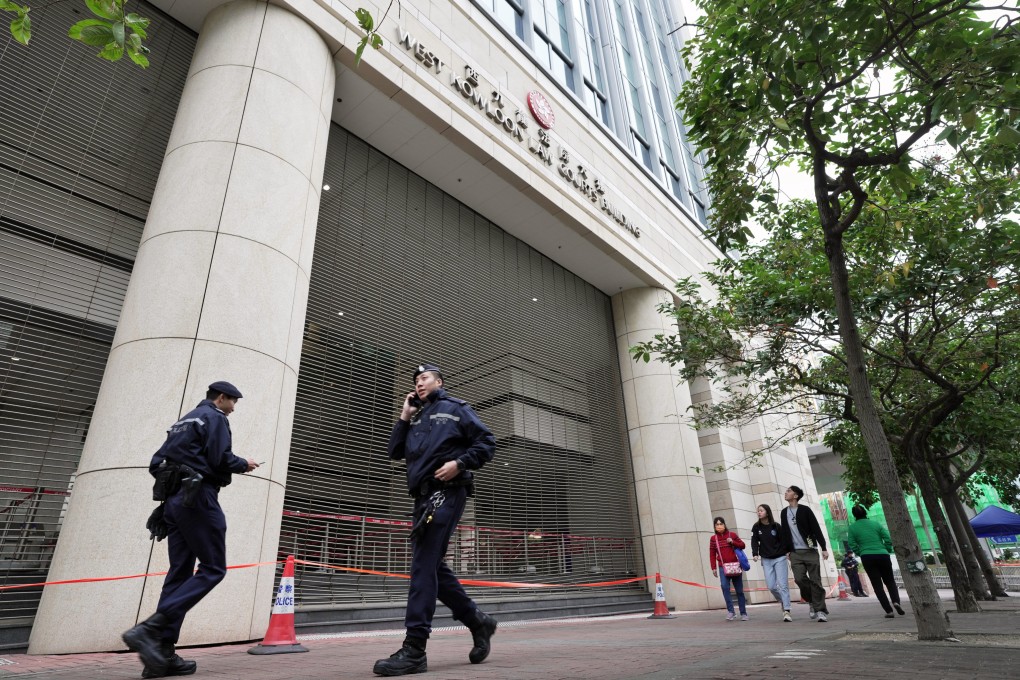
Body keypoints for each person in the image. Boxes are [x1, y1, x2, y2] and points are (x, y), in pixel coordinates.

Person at [122, 381, 259, 678]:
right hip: (198, 498)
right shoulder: (214, 418)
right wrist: (244, 463)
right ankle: (150, 629)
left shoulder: (182, 422)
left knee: (179, 574)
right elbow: (220, 459)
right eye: (233, 402)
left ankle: (160, 655)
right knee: (213, 569)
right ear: (220, 398)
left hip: (173, 502)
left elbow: (156, 464)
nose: (233, 408)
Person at [373, 363, 497, 676]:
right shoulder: (415, 418)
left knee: (422, 565)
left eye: (424, 377)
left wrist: (460, 462)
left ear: (439, 381)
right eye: (415, 380)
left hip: (447, 492)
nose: (419, 382)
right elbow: (394, 451)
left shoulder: (456, 409)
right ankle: (477, 621)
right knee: (432, 566)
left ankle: (415, 648)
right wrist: (404, 415)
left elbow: (486, 442)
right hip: (423, 497)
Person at [780, 485, 830, 622]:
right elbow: (785, 532)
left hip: (810, 551)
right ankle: (812, 601)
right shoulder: (784, 512)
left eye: (789, 491)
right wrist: (787, 551)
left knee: (816, 580)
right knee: (799, 579)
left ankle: (820, 610)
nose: (786, 492)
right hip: (795, 553)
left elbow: (815, 528)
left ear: (795, 496)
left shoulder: (805, 510)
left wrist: (824, 547)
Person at [848, 505, 904, 618]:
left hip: (867, 556)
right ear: (865, 512)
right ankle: (896, 601)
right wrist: (887, 549)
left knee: (877, 584)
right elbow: (887, 538)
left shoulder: (852, 528)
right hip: (883, 555)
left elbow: (852, 544)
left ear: (854, 515)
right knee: (890, 581)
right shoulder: (876, 524)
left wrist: (861, 552)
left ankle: (889, 611)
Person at [751, 503, 793, 621]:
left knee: (783, 585)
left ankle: (787, 610)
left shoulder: (776, 526)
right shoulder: (756, 527)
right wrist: (755, 553)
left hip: (780, 558)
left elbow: (783, 540)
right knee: (771, 586)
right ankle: (783, 601)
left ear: (767, 512)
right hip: (766, 559)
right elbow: (754, 541)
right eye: (758, 511)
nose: (759, 512)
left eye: (761, 511)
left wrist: (787, 552)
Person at [709, 517, 748, 621]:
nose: (719, 526)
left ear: (724, 524)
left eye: (721, 524)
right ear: (714, 526)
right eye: (717, 524)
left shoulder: (732, 535)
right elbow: (712, 554)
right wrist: (713, 567)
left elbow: (743, 545)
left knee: (739, 590)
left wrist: (733, 542)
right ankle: (731, 611)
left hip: (735, 565)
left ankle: (743, 613)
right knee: (725, 587)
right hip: (723, 567)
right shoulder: (713, 539)